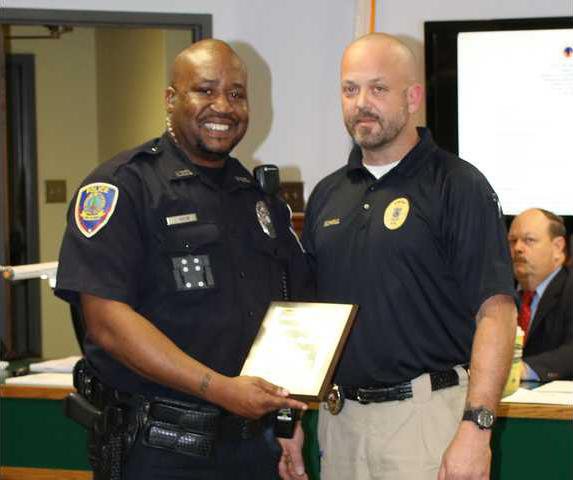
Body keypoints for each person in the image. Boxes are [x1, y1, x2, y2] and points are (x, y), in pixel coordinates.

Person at [55, 39, 310, 480]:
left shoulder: (256, 197)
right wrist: (218, 389)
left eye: (236, 94)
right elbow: (107, 323)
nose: (223, 106)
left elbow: (288, 309)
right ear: (171, 99)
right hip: (163, 448)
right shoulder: (124, 188)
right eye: (205, 90)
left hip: (255, 447)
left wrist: (287, 418)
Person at [302, 33, 517, 480]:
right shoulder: (326, 195)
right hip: (340, 426)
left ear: (413, 97)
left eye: (378, 88)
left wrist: (477, 427)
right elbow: (308, 319)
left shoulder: (458, 185)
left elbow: (496, 314)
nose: (362, 102)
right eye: (350, 89)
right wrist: (289, 418)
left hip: (427, 423)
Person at [508, 208, 573, 381]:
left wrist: (525, 370)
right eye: (512, 241)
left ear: (557, 247)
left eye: (529, 240)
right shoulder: (500, 293)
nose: (517, 248)